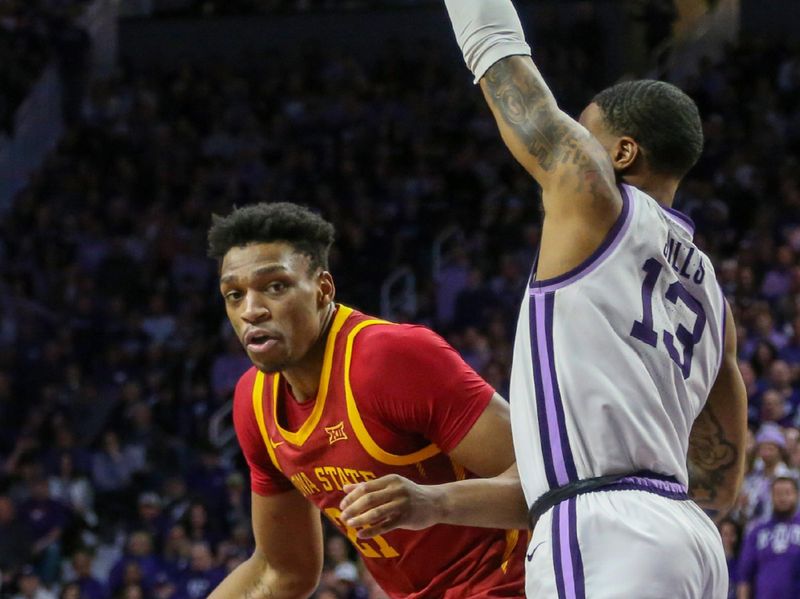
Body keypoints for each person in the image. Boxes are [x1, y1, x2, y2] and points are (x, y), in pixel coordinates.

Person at [344, 1, 747, 597]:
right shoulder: (714, 295)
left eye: (586, 130)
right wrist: (436, 503)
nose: (575, 139)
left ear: (622, 153)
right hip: (688, 537)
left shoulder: (595, 198)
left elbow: (503, 62)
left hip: (603, 531)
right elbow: (718, 483)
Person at [206, 202, 527, 598]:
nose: (251, 310)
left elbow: (555, 483)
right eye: (234, 295)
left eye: (276, 286)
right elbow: (282, 570)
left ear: (323, 289)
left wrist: (435, 502)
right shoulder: (253, 402)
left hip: (517, 582)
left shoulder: (389, 359)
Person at [737, 477, 800, 598]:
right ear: (771, 496)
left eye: (787, 493)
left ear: (797, 495)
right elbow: (745, 577)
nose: (783, 498)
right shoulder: (757, 531)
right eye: (778, 494)